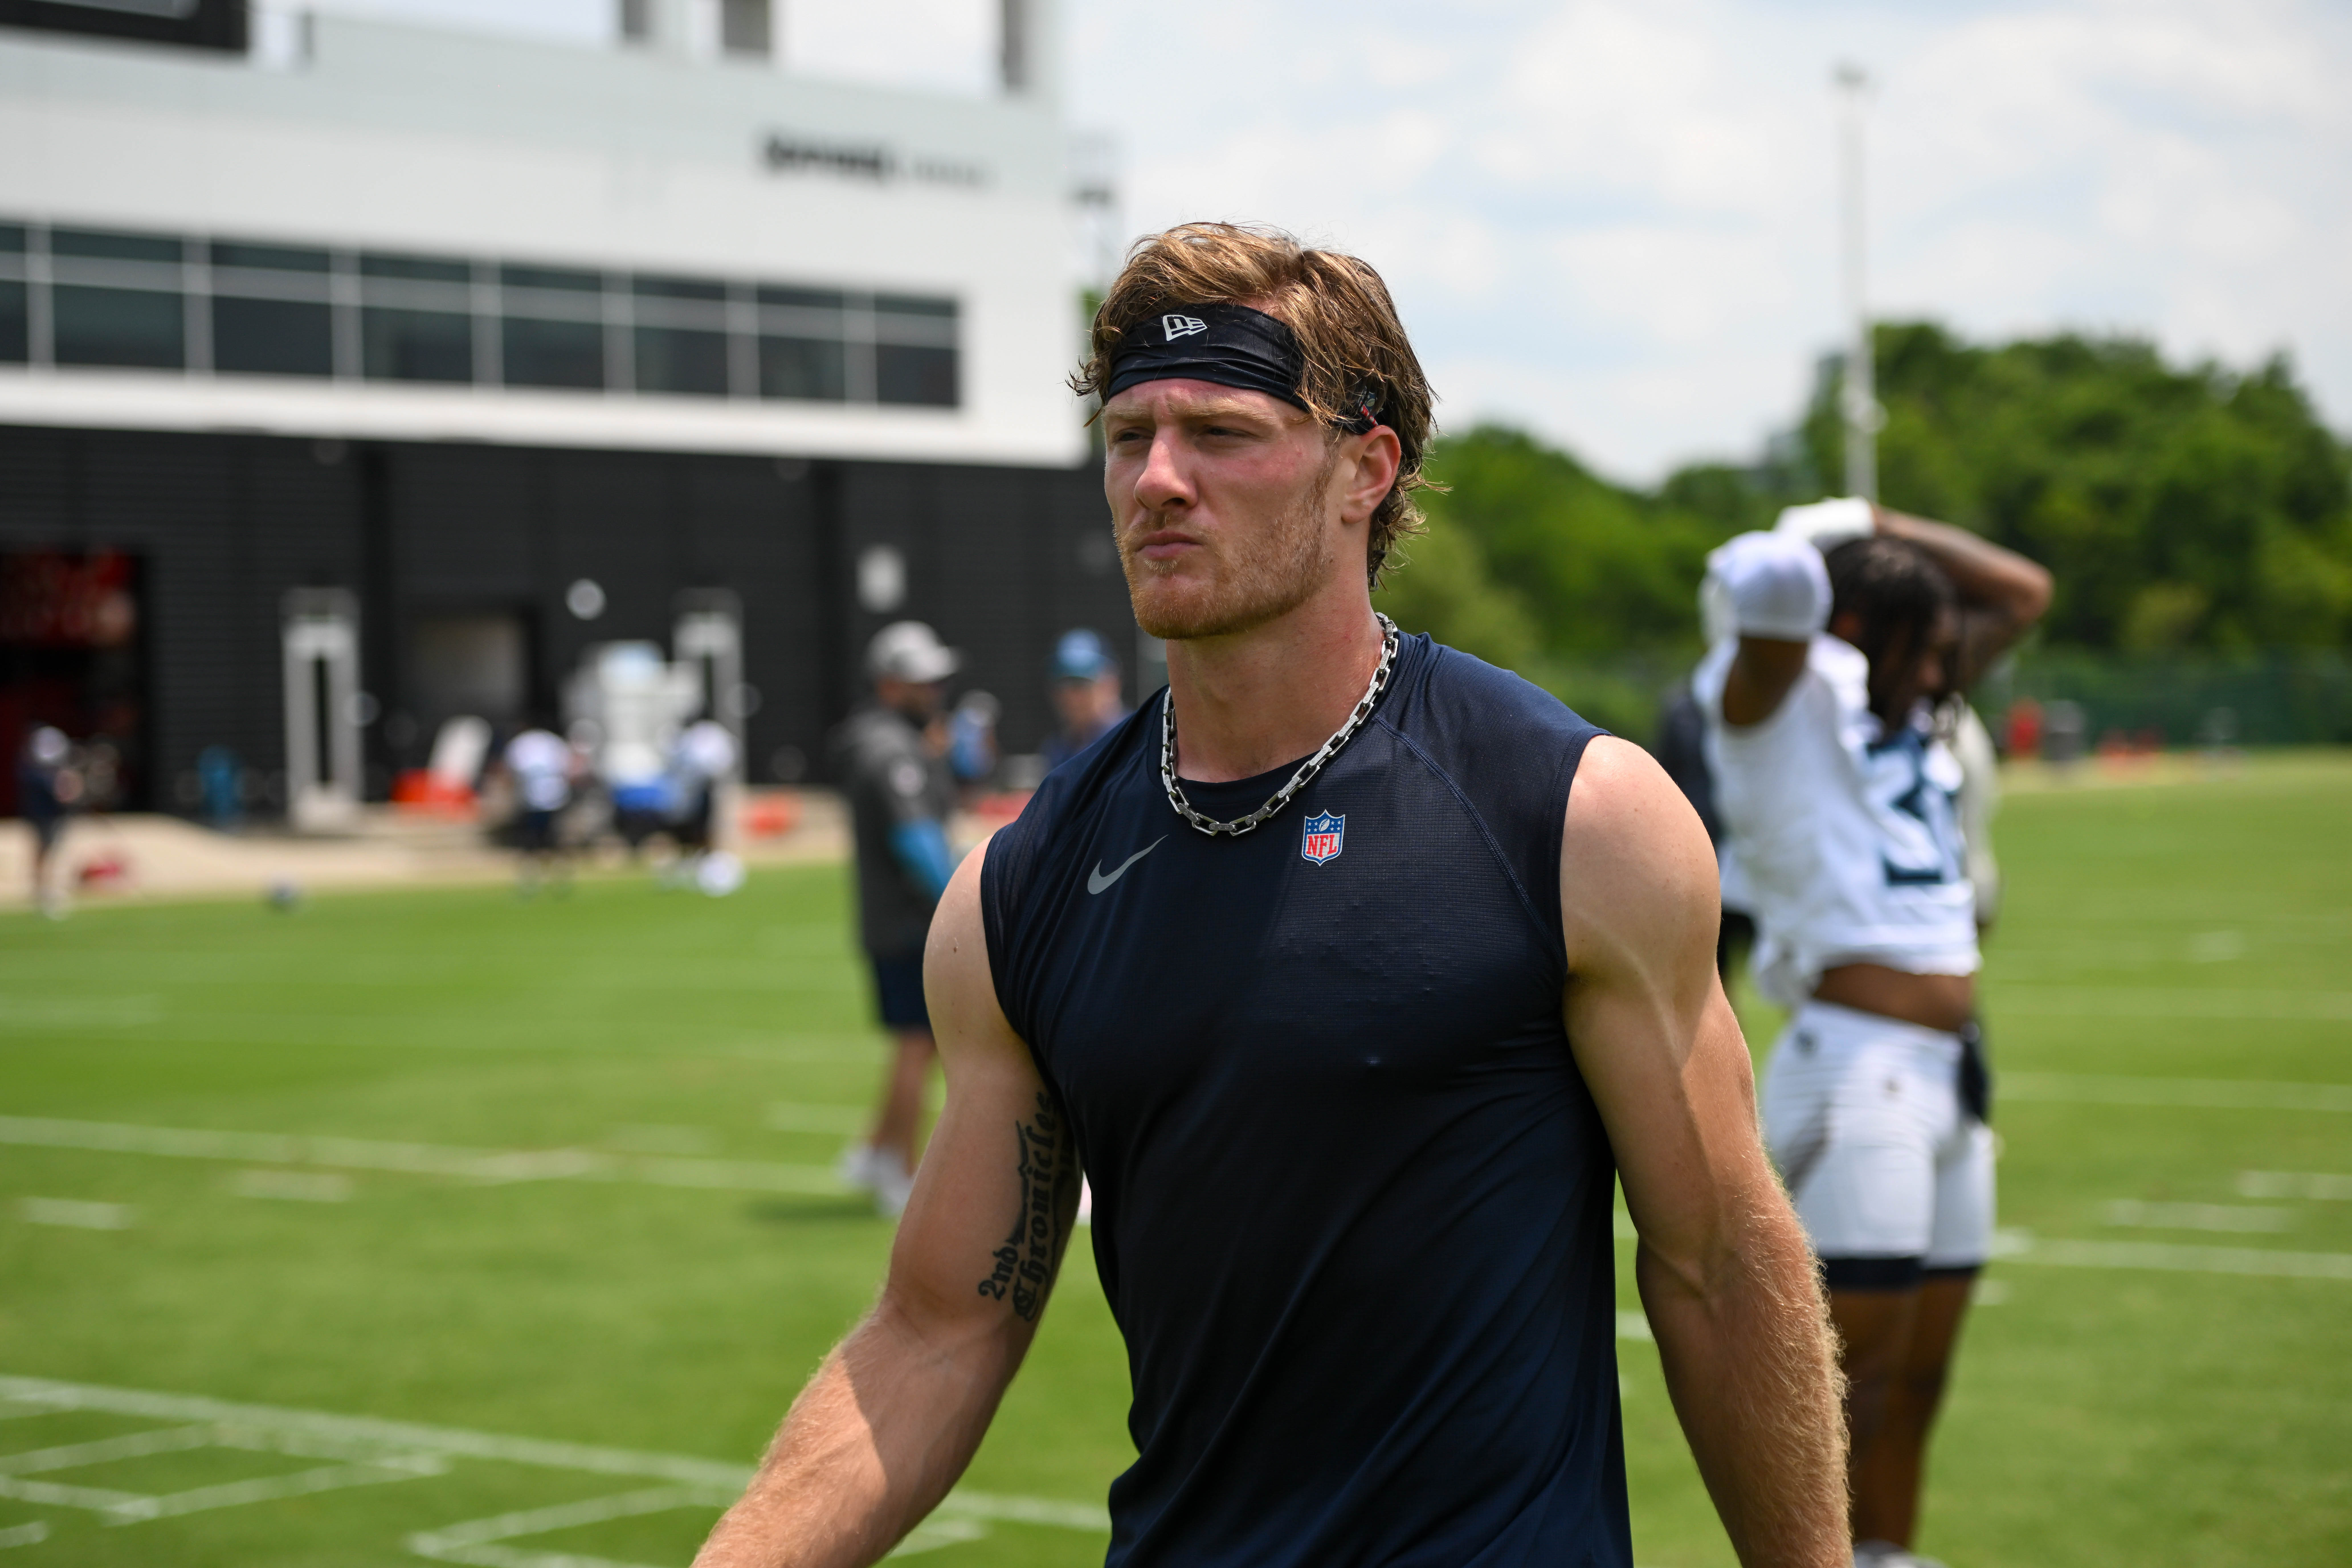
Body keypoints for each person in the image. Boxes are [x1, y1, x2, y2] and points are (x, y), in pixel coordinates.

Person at [697, 222, 1845, 1568]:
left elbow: (1717, 1263)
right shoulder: (1020, 887)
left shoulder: (1570, 815)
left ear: (1367, 468)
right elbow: (940, 1329)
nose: (1159, 480)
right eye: (1129, 438)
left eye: (1222, 434)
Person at [1692, 501, 2051, 1567]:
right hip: (1854, 1066)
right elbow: (1759, 578)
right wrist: (1825, 527)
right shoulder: (1771, 698)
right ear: (1849, 624)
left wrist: (1885, 521)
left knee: (1922, 1379)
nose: (1946, 664)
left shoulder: (1910, 701)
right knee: (1850, 1384)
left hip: (1950, 1072)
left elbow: (2023, 593)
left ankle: (1888, 1554)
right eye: (1925, 641)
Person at [831, 621, 963, 1220]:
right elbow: (916, 841)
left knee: (917, 1042)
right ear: (889, 684)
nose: (933, 688)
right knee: (918, 1042)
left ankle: (876, 1150)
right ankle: (899, 1172)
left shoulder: (893, 742)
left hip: (900, 919)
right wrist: (966, 900)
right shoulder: (890, 751)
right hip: (910, 923)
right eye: (920, 679)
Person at [502, 722, 578, 894]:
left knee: (542, 842)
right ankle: (549, 879)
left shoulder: (524, 744)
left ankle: (551, 878)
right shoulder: (550, 743)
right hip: (543, 799)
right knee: (541, 841)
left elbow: (511, 772)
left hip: (544, 800)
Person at [1038, 627, 1128, 771]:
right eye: (1063, 685)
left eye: (1081, 685)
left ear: (1111, 683)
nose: (1071, 697)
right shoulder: (1057, 750)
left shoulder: (1134, 741)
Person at [18, 726, 80, 919]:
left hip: (55, 815)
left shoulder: (56, 769)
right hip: (41, 816)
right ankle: (42, 890)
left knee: (55, 851)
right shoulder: (32, 770)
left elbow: (69, 791)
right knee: (43, 851)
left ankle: (51, 888)